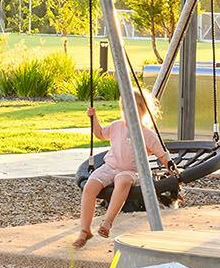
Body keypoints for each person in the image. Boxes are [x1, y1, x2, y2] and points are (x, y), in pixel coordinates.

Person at [75, 87, 174, 248]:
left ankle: (107, 222)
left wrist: (174, 172)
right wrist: (94, 118)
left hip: (132, 171)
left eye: (133, 109)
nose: (128, 112)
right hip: (110, 166)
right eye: (125, 108)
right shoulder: (116, 126)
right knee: (90, 186)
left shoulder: (148, 134)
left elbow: (162, 155)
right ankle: (85, 230)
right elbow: (100, 133)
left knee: (122, 181)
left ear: (142, 111)